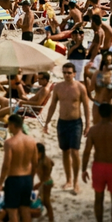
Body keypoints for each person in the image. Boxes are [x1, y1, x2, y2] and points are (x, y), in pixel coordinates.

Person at [43, 62, 90, 195]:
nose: (67, 75)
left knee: (75, 152)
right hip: (62, 122)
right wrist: (46, 123)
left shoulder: (80, 87)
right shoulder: (58, 87)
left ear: (74, 73)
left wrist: (87, 125)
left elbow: (86, 107)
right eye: (64, 73)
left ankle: (75, 182)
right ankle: (68, 179)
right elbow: (52, 105)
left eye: (69, 73)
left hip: (76, 123)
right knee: (65, 152)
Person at [0, 114, 37, 222]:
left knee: (12, 211)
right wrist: (31, 179)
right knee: (25, 210)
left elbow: (6, 165)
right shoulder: (32, 141)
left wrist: (0, 184)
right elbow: (35, 163)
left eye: (9, 125)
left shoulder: (10, 143)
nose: (8, 127)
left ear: (13, 125)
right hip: (27, 179)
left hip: (14, 179)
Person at [34, 143, 55, 222]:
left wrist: (39, 184)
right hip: (47, 181)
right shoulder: (45, 159)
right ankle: (48, 214)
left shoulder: (43, 162)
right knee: (44, 199)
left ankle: (51, 218)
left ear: (40, 153)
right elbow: (52, 163)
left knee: (46, 202)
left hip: (46, 183)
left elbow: (44, 178)